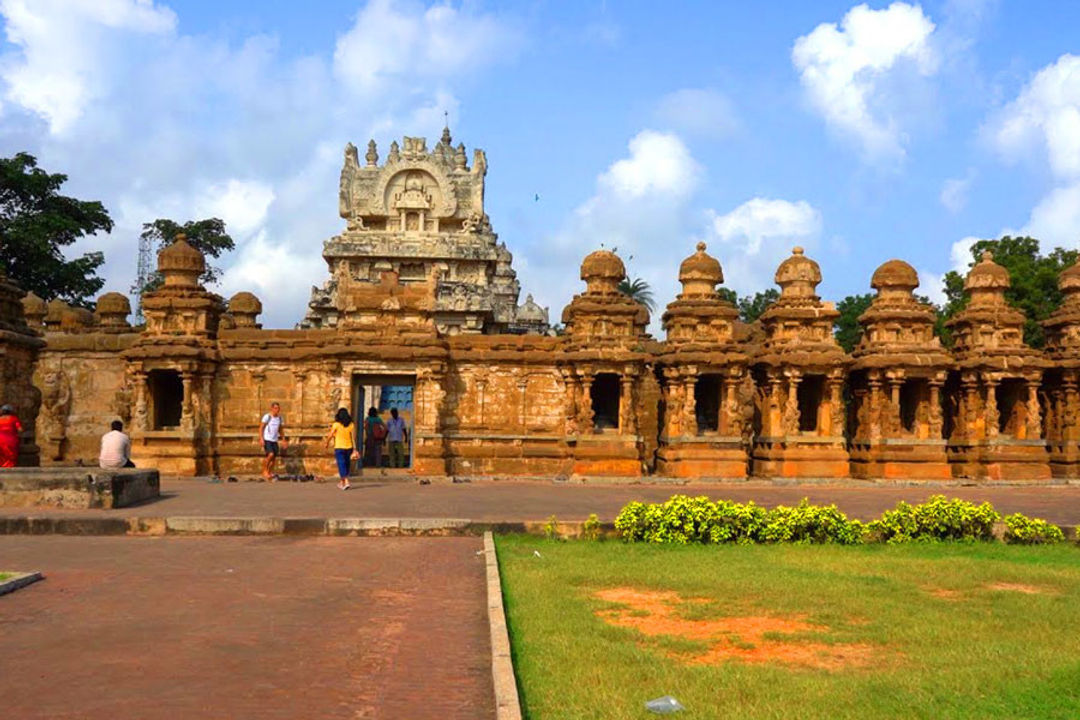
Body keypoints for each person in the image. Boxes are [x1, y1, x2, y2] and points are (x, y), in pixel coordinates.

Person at [324, 407, 359, 490]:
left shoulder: (336, 425)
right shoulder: (351, 425)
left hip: (339, 447)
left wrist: (327, 443)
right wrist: (354, 448)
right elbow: (353, 437)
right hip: (349, 447)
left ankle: (346, 481)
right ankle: (342, 482)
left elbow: (331, 434)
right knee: (346, 464)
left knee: (341, 464)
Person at [258, 402, 287, 480]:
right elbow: (261, 428)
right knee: (270, 454)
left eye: (278, 408)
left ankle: (269, 472)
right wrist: (261, 438)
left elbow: (280, 429)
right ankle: (264, 470)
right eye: (275, 408)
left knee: (273, 458)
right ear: (272, 408)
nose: (277, 410)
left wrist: (283, 440)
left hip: (274, 440)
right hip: (267, 439)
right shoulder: (267, 417)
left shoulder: (280, 418)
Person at [0, 404, 23, 468]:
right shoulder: (14, 419)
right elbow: (20, 429)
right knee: (12, 453)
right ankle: (9, 465)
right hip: (11, 440)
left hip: (0, 440)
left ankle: (3, 465)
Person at [365, 406, 387, 472]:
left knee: (369, 451)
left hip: (370, 436)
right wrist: (382, 435)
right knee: (378, 451)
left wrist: (368, 433)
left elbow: (366, 427)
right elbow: (385, 427)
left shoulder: (368, 419)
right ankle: (378, 464)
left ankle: (369, 464)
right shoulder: (378, 419)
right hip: (377, 437)